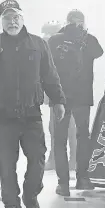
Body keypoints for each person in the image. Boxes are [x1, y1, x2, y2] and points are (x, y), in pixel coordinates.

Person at [0, 0, 66, 208]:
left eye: (16, 17)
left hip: (31, 113)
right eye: (7, 18)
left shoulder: (37, 44)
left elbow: (50, 75)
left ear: (23, 19)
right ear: (1, 21)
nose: (12, 21)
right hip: (4, 114)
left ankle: (30, 194)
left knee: (37, 159)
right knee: (7, 165)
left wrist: (58, 100)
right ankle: (12, 207)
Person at [48, 9, 103, 196]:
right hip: (61, 96)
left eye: (80, 23)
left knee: (81, 138)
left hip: (80, 96)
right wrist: (69, 35)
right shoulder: (56, 39)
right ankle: (64, 182)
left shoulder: (88, 40)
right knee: (61, 139)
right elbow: (48, 62)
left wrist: (82, 36)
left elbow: (99, 51)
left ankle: (80, 178)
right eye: (75, 22)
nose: (78, 26)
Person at [41, 21, 77, 171]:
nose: (48, 36)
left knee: (68, 127)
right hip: (57, 93)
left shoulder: (65, 49)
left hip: (66, 93)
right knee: (55, 127)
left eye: (51, 32)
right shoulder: (50, 48)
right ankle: (57, 158)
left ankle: (72, 159)